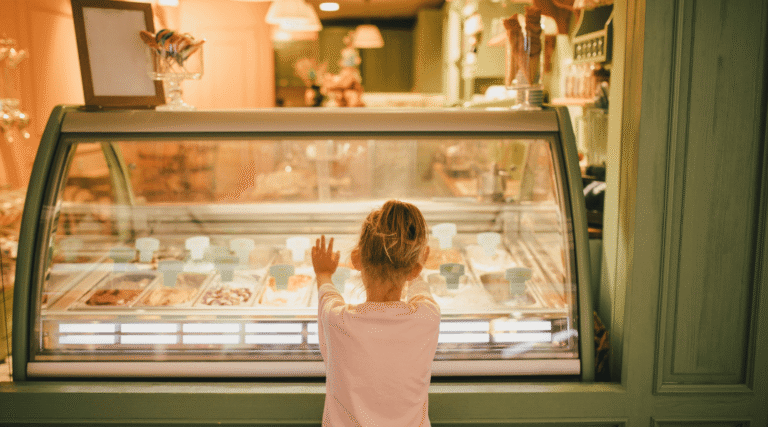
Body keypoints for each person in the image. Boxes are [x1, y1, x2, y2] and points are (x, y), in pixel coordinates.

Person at [311, 200, 441, 426]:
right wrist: (416, 266)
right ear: (415, 269)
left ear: (356, 260)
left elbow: (327, 292)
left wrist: (323, 272)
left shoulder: (335, 320)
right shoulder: (428, 316)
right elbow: (421, 291)